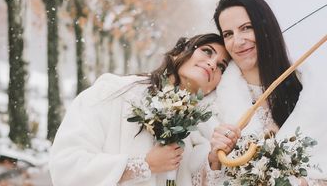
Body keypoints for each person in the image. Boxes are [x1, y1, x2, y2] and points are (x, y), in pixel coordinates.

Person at [204, 0, 327, 186]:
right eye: (228, 34)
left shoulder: (311, 94)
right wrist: (215, 160)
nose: (238, 41)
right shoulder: (216, 102)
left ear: (266, 28)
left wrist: (303, 183)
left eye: (246, 28)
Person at [49, 33, 230, 186]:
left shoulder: (202, 131)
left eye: (221, 66)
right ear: (179, 52)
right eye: (207, 51)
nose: (213, 64)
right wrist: (145, 165)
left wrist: (214, 160)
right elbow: (66, 165)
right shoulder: (114, 92)